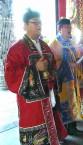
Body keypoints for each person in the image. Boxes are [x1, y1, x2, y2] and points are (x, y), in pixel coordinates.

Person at [4, 9, 67, 144]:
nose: (39, 25)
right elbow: (11, 76)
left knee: (50, 135)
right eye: (34, 23)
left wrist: (51, 75)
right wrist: (35, 68)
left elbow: (53, 67)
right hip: (31, 104)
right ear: (25, 25)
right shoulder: (17, 49)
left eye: (40, 22)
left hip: (48, 99)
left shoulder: (44, 46)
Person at [49, 18, 83, 136]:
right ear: (60, 29)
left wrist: (79, 61)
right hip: (62, 80)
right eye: (66, 27)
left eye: (70, 27)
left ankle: (73, 126)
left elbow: (77, 56)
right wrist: (70, 64)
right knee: (64, 103)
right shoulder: (54, 43)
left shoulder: (72, 42)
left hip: (73, 78)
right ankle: (63, 129)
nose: (69, 29)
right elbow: (52, 61)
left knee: (73, 101)